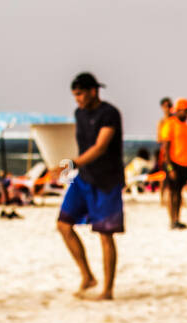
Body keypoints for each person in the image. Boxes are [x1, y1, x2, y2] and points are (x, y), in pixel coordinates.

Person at [56, 72, 123, 299]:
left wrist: (70, 163)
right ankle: (87, 276)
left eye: (80, 94)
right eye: (75, 95)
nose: (78, 99)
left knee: (105, 235)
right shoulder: (79, 113)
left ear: (93, 91)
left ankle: (108, 290)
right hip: (84, 178)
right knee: (63, 225)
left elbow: (100, 147)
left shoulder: (109, 114)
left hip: (107, 181)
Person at [162, 99, 187, 229]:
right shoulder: (170, 124)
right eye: (185, 111)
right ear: (178, 110)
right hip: (173, 164)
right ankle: (172, 220)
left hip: (184, 164)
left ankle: (178, 219)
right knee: (172, 193)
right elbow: (165, 149)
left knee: (179, 193)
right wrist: (170, 168)